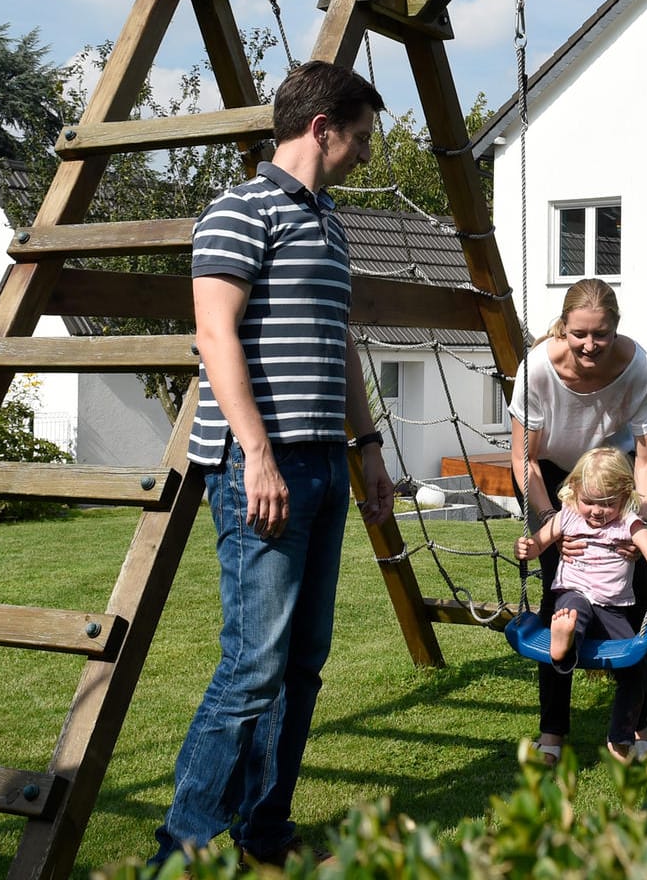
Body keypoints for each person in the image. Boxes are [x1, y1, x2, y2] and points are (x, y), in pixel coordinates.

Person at [151, 60, 396, 867]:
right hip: (262, 464)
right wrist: (256, 456)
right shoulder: (238, 210)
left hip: (325, 461)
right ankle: (181, 848)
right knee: (252, 668)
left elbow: (341, 344)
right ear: (320, 128)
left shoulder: (329, 222)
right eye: (358, 138)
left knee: (303, 666)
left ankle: (264, 832)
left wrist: (368, 451)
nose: (365, 153)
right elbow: (216, 336)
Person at [508, 278, 647, 765]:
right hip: (554, 475)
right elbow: (524, 458)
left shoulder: (639, 369)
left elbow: (646, 458)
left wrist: (639, 525)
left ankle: (635, 728)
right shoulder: (537, 368)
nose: (590, 345)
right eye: (579, 333)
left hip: (612, 477)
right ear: (564, 326)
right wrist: (552, 525)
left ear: (616, 329)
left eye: (600, 334)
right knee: (559, 599)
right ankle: (553, 732)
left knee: (637, 599)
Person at [515, 447, 647, 762]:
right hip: (572, 594)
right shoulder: (568, 516)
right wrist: (526, 546)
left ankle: (620, 736)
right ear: (574, 493)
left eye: (607, 504)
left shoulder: (630, 523)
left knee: (635, 666)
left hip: (613, 608)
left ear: (624, 496)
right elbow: (539, 544)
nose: (597, 512)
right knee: (574, 614)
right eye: (589, 502)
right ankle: (564, 641)